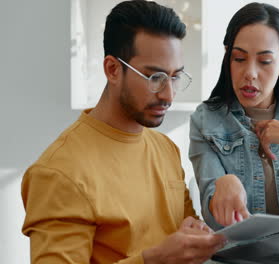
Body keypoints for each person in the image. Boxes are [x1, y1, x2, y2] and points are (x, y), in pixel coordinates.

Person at [21, 1, 225, 263]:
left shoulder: (165, 149)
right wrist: (153, 259)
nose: (168, 94)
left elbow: (186, 232)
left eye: (175, 77)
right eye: (155, 78)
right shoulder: (60, 173)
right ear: (112, 69)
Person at [189, 2, 279, 230]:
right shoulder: (206, 121)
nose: (250, 73)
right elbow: (214, 216)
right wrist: (223, 184)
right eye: (239, 59)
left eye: (265, 61)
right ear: (228, 58)